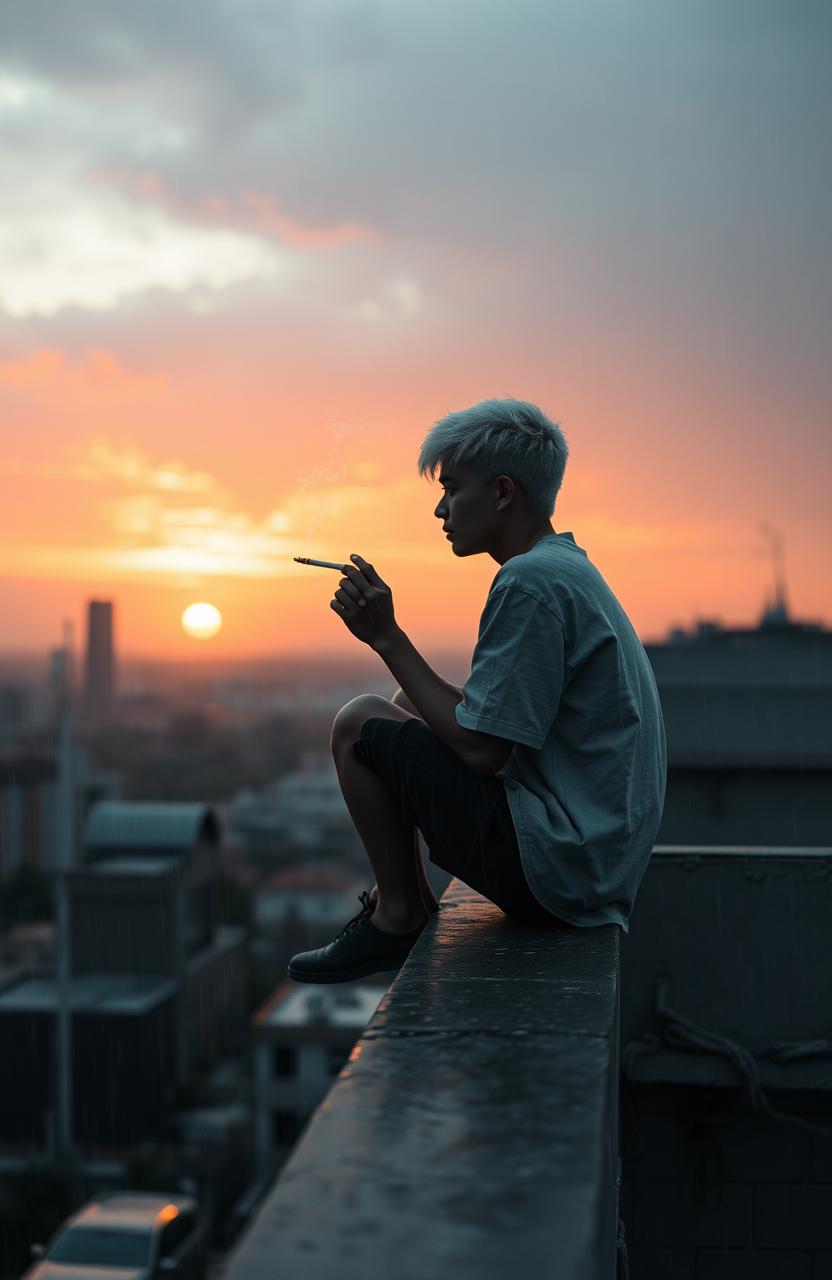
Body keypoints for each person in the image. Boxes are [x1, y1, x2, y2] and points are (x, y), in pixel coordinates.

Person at [287, 396, 667, 983]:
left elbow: (484, 753)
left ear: (503, 492)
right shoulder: (562, 566)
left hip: (561, 874)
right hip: (592, 868)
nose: (440, 510)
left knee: (356, 723)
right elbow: (494, 726)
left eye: (452, 489)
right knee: (406, 707)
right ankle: (408, 903)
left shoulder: (528, 581)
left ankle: (398, 917)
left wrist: (387, 638)